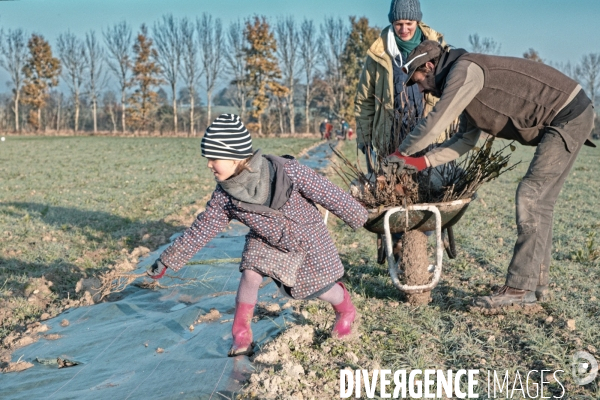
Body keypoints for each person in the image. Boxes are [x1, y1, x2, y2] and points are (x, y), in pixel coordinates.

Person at [389, 40, 596, 309]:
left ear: (429, 66)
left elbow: (436, 122)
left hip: (568, 115)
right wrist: (422, 162)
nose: (419, 88)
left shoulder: (464, 71)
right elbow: (465, 140)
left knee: (531, 196)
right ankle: (536, 283)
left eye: (418, 80)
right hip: (569, 114)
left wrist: (400, 156)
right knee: (540, 203)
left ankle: (520, 289)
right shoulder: (460, 80)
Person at [147, 114, 369, 356]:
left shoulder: (285, 170)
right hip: (265, 239)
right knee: (250, 273)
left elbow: (326, 191)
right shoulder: (225, 196)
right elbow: (202, 228)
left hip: (305, 238)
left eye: (214, 158)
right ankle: (241, 336)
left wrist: (358, 215)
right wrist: (168, 259)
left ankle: (345, 308)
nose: (208, 164)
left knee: (320, 289)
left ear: (235, 157)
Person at [355, 0, 447, 161]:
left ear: (417, 21)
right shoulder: (379, 53)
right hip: (391, 141)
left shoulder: (438, 47)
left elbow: (452, 91)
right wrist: (364, 139)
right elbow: (365, 100)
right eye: (398, 24)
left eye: (409, 23)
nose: (404, 29)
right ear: (392, 22)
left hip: (431, 139)